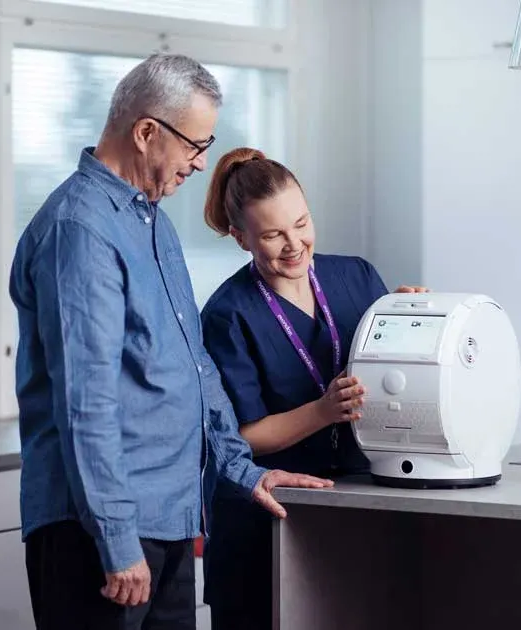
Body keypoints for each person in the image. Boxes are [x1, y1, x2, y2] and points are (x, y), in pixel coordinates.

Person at [9, 55, 333, 630]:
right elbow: (88, 403)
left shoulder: (151, 222)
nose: (202, 161)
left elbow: (195, 368)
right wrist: (116, 540)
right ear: (146, 132)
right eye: (194, 144)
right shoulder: (79, 231)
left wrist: (244, 470)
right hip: (103, 534)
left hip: (171, 520)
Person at [198, 147, 428, 629]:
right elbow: (240, 437)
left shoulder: (357, 277)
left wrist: (416, 321)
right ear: (241, 238)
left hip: (355, 505)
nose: (295, 244)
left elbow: (395, 379)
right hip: (265, 519)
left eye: (301, 223)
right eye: (273, 234)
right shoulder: (227, 314)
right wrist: (323, 411)